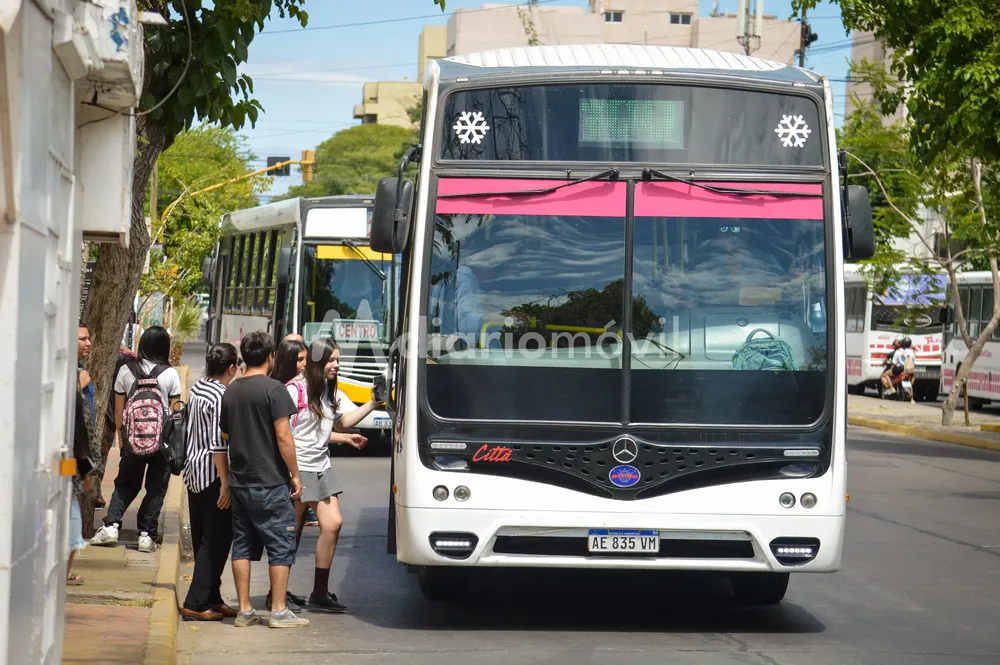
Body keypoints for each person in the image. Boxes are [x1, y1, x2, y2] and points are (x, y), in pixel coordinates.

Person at [218, 330, 309, 629]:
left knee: (242, 545)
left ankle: (244, 610)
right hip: (271, 481)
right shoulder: (275, 390)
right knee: (281, 544)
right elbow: (284, 436)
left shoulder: (231, 391)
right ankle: (279, 611)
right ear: (270, 357)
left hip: (240, 481)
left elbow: (226, 435)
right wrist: (295, 474)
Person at [280, 338, 376, 613]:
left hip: (321, 466)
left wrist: (373, 402)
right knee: (297, 530)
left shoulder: (331, 390)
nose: (336, 365)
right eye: (331, 360)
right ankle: (284, 592)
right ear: (317, 361)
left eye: (338, 360)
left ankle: (317, 592)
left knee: (325, 526)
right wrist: (290, 471)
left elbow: (343, 420)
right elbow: (282, 431)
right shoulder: (295, 389)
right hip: (298, 468)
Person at [91, 326, 182, 552]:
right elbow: (175, 412)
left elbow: (119, 410)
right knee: (156, 487)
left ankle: (111, 527)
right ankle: (146, 535)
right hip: (161, 443)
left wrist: (123, 440)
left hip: (132, 439)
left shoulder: (125, 370)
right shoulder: (170, 374)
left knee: (125, 484)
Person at [181, 344, 241, 622]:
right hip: (212, 476)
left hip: (194, 471)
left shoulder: (199, 387)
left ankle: (213, 597)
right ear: (231, 368)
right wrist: (226, 484)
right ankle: (195, 601)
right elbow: (219, 446)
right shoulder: (220, 395)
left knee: (204, 537)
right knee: (215, 541)